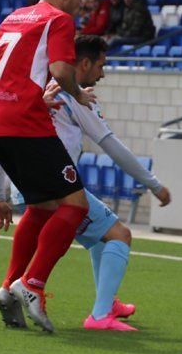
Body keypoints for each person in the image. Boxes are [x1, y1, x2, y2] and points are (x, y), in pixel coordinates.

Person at [0, 0, 97, 333]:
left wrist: (34, 98)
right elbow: (61, 71)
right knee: (75, 206)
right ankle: (32, 283)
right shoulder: (59, 19)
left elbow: (13, 71)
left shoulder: (14, 16)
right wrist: (77, 94)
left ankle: (7, 288)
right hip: (26, 124)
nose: (81, 2)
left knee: (43, 205)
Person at [43, 35, 172, 330]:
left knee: (102, 235)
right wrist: (154, 185)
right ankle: (100, 316)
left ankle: (108, 301)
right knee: (121, 235)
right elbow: (112, 147)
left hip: (36, 182)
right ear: (84, 63)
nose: (102, 74)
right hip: (61, 187)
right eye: (101, 65)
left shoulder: (47, 87)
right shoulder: (74, 97)